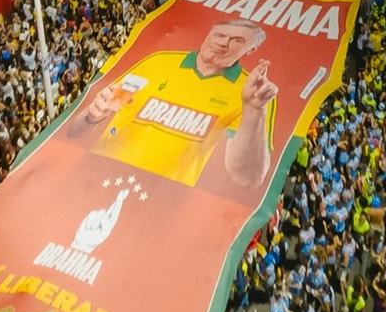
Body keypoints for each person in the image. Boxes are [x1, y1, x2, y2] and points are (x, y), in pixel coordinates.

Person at [78, 19, 278, 187]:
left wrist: (254, 109)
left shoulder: (253, 93)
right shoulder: (158, 61)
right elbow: (76, 127)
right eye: (219, 35)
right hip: (98, 172)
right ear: (209, 34)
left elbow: (247, 178)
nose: (223, 43)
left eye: (237, 40)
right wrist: (90, 117)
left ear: (251, 49)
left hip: (161, 195)